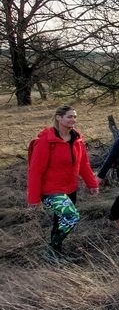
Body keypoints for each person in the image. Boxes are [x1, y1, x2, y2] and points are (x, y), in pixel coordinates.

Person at [27, 106, 100, 263]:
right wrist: (33, 199)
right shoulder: (46, 141)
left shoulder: (77, 139)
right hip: (51, 191)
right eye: (69, 117)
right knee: (71, 216)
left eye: (74, 117)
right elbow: (35, 171)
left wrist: (92, 183)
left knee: (60, 221)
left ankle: (55, 254)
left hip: (70, 189)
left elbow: (83, 164)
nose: (73, 120)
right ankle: (51, 250)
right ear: (59, 118)